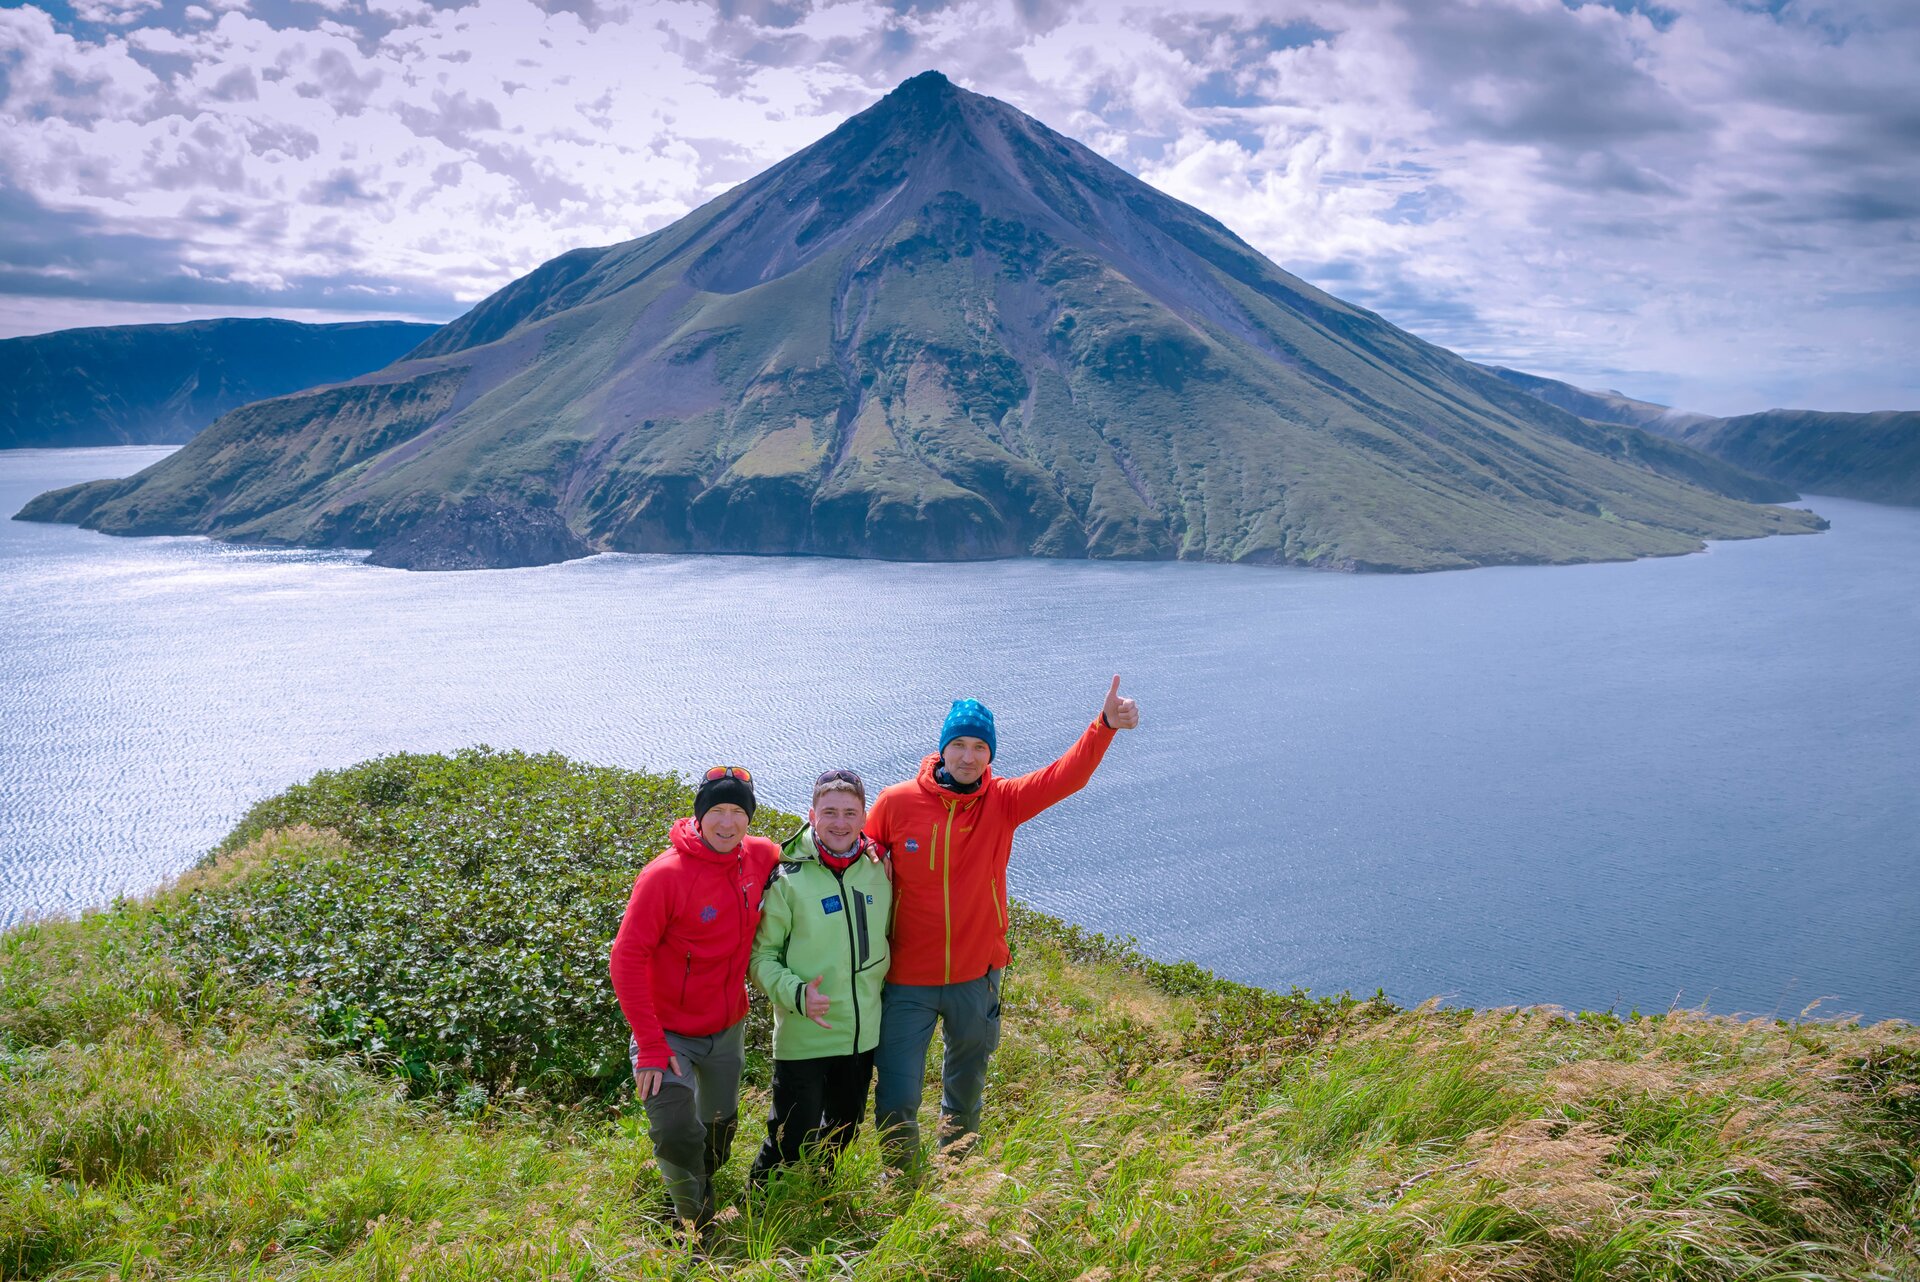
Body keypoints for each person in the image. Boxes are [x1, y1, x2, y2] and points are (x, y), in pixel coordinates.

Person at [866, 677, 1140, 1167]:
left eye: (979, 748)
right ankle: (901, 1183)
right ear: (942, 748)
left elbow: (1066, 776)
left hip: (976, 977)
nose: (968, 757)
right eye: (959, 745)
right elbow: (856, 860)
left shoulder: (1004, 801)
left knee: (965, 1091)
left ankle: (959, 1178)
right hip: (906, 978)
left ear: (989, 755)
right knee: (897, 1095)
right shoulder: (896, 802)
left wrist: (1103, 727)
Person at [608, 766, 781, 1233]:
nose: (727, 822)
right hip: (667, 1033)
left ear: (749, 818)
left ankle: (697, 1187)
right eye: (717, 812)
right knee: (674, 1127)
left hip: (727, 1028)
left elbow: (814, 851)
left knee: (719, 1130)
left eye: (738, 812)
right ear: (699, 816)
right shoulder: (664, 875)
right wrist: (649, 1045)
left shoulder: (761, 855)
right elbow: (625, 960)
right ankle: (693, 1225)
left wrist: (869, 851)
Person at [747, 768, 894, 1185]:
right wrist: (796, 995)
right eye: (829, 812)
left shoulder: (879, 869)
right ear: (811, 815)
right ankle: (758, 1213)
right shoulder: (787, 878)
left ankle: (817, 1198)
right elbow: (761, 957)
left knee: (845, 1129)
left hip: (861, 1034)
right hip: (804, 1034)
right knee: (789, 1137)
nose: (840, 823)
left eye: (850, 812)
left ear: (864, 817)